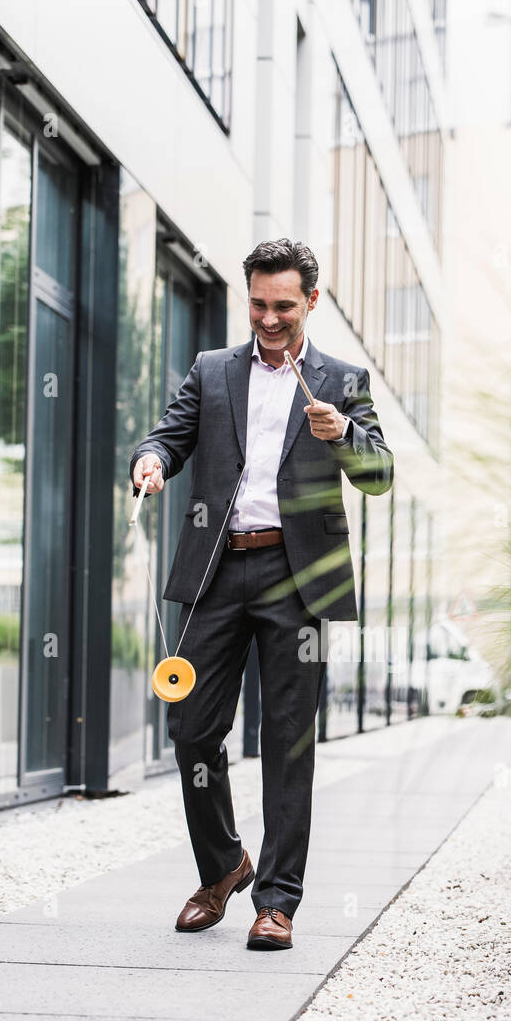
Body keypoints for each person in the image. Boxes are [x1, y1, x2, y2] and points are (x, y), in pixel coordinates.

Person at [129, 238, 393, 951]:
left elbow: (378, 473)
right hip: (217, 573)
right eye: (257, 304)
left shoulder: (340, 378)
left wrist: (343, 435)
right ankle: (223, 866)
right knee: (190, 731)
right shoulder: (213, 370)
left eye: (282, 306)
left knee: (287, 743)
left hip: (296, 579)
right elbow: (169, 436)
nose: (268, 319)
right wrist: (151, 461)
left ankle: (276, 901)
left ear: (311, 300)